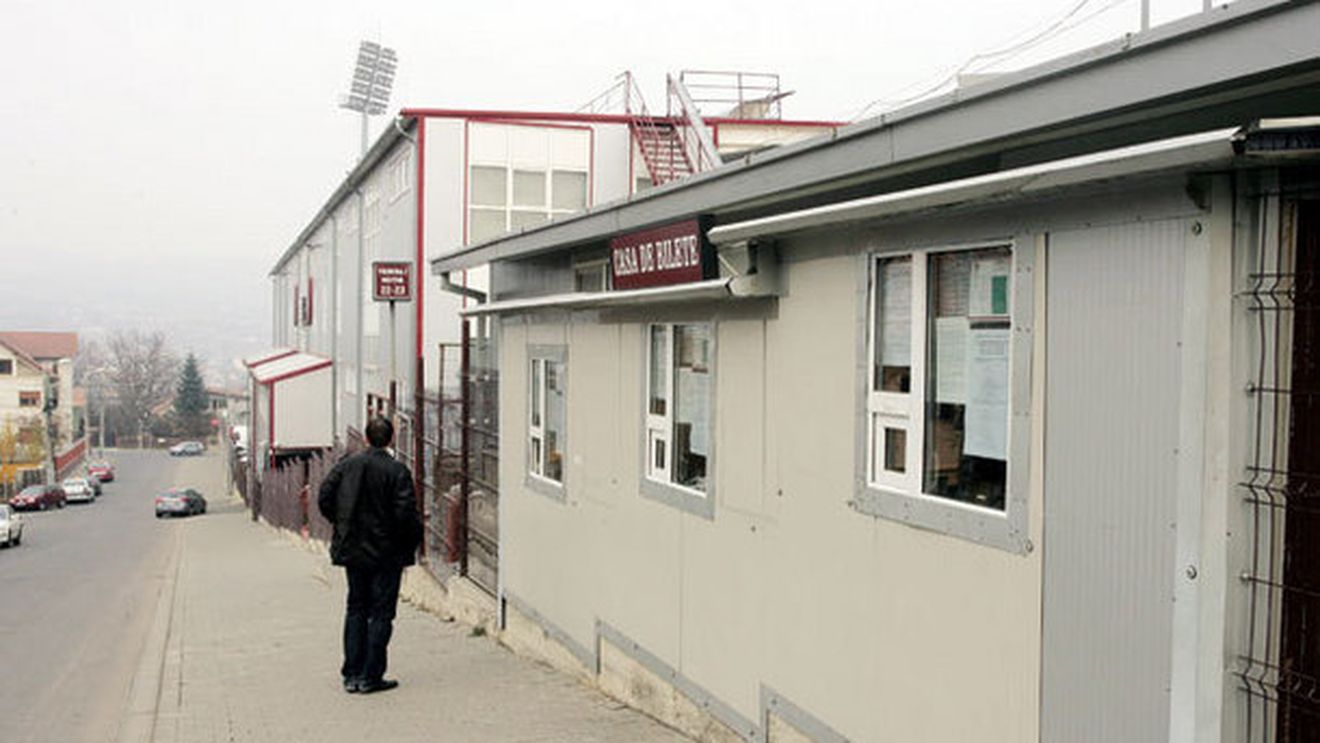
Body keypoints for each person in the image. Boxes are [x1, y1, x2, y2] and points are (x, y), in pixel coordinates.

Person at [317, 416, 422, 694]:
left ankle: (351, 673)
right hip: (387, 554)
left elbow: (324, 498)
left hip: (353, 550)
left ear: (366, 438)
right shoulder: (397, 471)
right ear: (390, 440)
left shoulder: (347, 466)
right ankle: (371, 676)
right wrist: (409, 545)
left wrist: (341, 524)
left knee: (356, 609)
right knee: (381, 613)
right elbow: (406, 514)